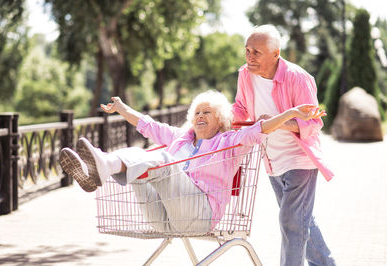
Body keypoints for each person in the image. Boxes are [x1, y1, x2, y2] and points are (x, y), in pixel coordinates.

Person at [60, 90, 325, 234]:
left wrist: (289, 113)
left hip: (201, 215)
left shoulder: (229, 140)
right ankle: (101, 166)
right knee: (143, 158)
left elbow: (261, 129)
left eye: (207, 112)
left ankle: (103, 166)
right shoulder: (180, 138)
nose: (200, 116)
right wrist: (122, 108)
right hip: (165, 217)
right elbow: (148, 125)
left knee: (160, 159)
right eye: (196, 112)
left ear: (220, 119)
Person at [232, 24, 336, 266]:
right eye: (247, 50)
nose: (249, 56)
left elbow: (314, 122)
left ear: (275, 53)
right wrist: (223, 119)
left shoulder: (298, 78)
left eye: (256, 52)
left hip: (299, 158)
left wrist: (278, 124)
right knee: (300, 220)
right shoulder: (245, 74)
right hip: (271, 159)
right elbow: (240, 107)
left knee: (291, 221)